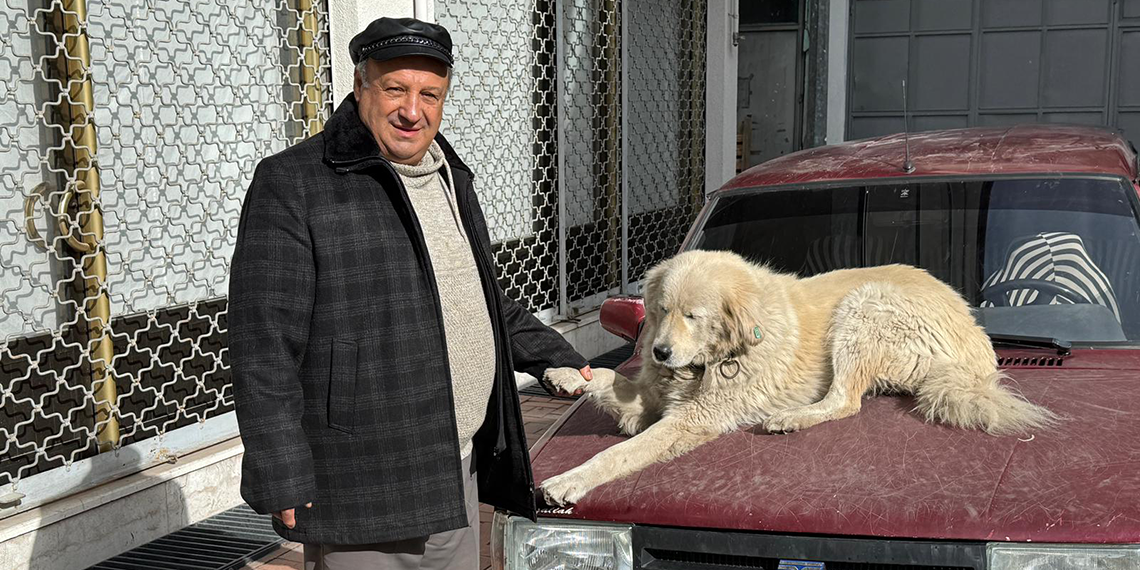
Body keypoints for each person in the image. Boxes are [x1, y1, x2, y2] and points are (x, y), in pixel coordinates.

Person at [228, 16, 592, 569]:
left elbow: (475, 294)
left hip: (456, 471)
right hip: (364, 483)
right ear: (360, 87)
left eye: (430, 94)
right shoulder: (295, 182)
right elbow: (263, 345)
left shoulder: (449, 174)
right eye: (396, 89)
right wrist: (280, 465)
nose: (412, 111)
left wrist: (552, 355)